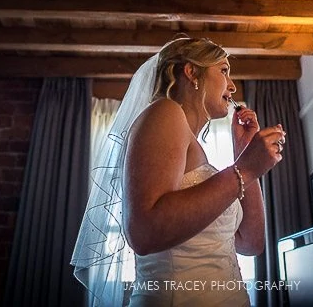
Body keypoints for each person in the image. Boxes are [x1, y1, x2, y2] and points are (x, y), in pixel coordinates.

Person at [71, 36, 286, 306]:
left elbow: (250, 243)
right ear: (192, 72)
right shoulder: (165, 112)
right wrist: (243, 169)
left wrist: (243, 154)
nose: (232, 86)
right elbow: (143, 233)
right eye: (223, 71)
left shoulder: (197, 147)